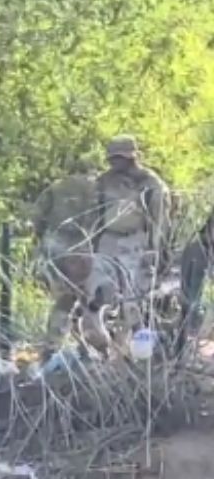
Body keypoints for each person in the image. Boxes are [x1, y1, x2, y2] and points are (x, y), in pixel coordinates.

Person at [90, 135, 171, 340]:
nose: (114, 162)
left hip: (134, 242)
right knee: (97, 291)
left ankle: (138, 343)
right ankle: (100, 342)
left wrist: (155, 249)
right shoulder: (104, 181)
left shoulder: (150, 182)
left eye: (119, 158)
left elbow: (159, 218)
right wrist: (92, 243)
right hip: (108, 240)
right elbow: (95, 213)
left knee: (132, 297)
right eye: (112, 158)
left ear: (131, 158)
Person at [32, 169, 100, 357]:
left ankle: (55, 343)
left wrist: (40, 239)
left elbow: (37, 216)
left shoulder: (57, 186)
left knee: (64, 298)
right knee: (83, 298)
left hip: (54, 242)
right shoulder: (99, 187)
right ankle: (85, 344)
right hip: (81, 245)